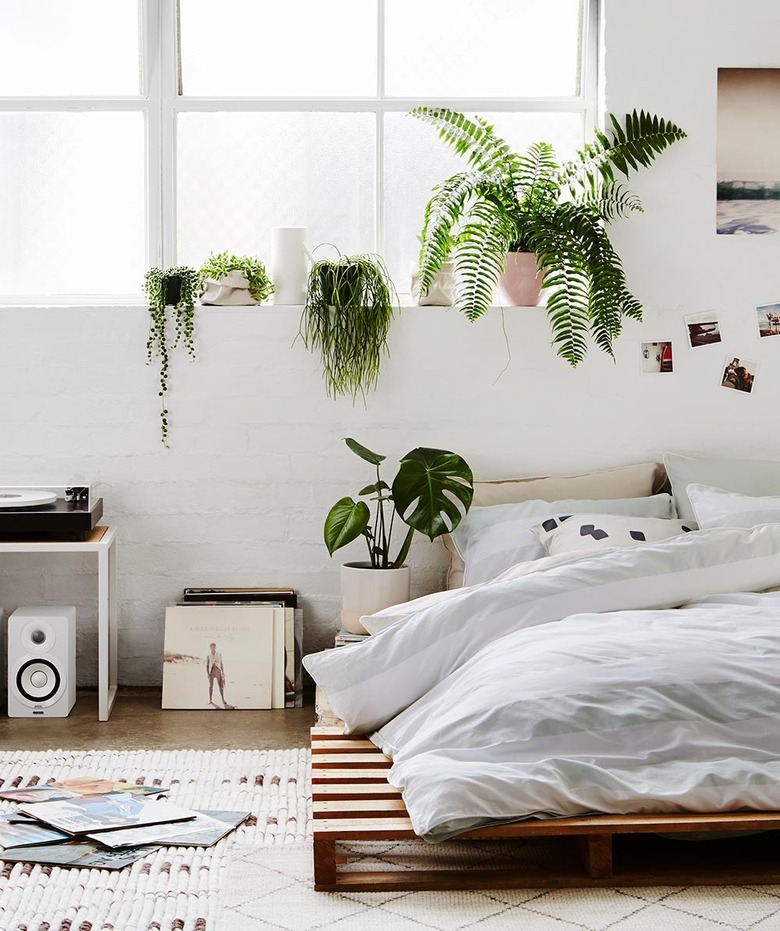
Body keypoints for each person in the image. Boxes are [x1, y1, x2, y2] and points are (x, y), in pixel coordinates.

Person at [206, 642, 230, 708]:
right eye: (211, 647)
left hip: (218, 670)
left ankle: (223, 699)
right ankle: (210, 700)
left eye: (214, 647)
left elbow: (221, 663)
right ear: (210, 648)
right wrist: (208, 674)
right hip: (211, 671)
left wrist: (223, 672)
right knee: (211, 686)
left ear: (215, 647)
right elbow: (207, 665)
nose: (213, 648)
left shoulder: (219, 654)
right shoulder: (208, 656)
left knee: (220, 686)